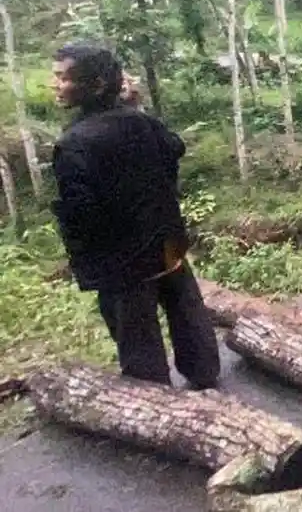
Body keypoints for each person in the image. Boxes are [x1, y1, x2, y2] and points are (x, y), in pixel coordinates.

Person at [50, 43, 220, 389]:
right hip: (167, 241)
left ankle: (155, 404)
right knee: (186, 309)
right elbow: (174, 148)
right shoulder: (140, 122)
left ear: (95, 85)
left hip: (122, 262)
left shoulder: (74, 144)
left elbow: (80, 214)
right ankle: (203, 373)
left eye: (63, 78)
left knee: (136, 336)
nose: (56, 85)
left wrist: (86, 260)